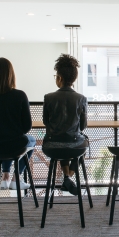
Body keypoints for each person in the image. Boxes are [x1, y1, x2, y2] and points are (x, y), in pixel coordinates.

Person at [0, 57, 35, 190]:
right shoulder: (20, 96)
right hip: (14, 145)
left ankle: (5, 177)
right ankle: (16, 177)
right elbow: (27, 127)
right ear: (11, 74)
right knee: (30, 141)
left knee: (7, 142)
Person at [42, 54, 88, 195]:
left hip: (51, 147)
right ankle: (68, 177)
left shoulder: (48, 98)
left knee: (60, 141)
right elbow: (82, 126)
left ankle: (66, 178)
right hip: (75, 147)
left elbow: (45, 122)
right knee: (83, 141)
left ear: (59, 78)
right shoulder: (81, 99)